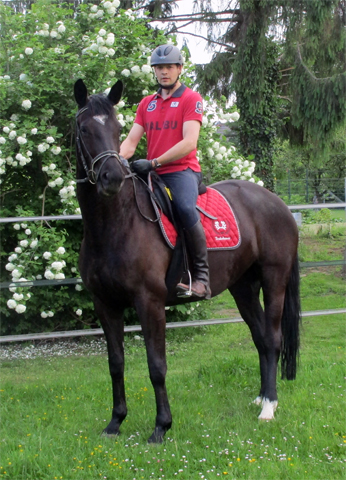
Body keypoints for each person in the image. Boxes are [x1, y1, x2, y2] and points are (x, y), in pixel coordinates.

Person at [119, 44, 210, 299]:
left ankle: (202, 279)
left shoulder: (191, 99)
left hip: (182, 171)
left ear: (179, 68)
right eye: (159, 68)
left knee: (183, 207)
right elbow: (131, 142)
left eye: (169, 67)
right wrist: (114, 160)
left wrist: (155, 162)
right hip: (153, 173)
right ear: (154, 71)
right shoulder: (146, 104)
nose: (164, 72)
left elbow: (189, 142)